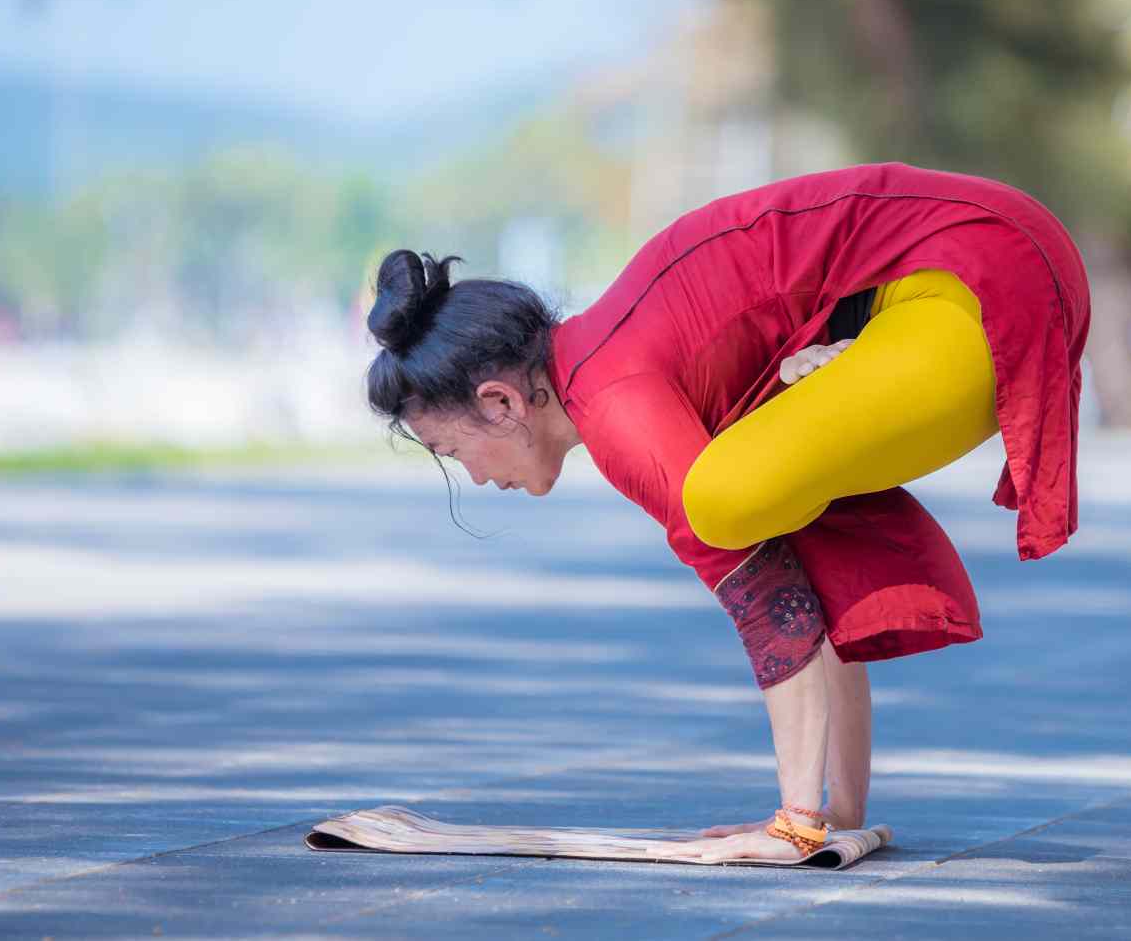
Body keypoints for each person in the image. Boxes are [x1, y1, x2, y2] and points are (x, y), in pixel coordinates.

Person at [363, 161, 1092, 862]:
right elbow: (804, 598)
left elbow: (773, 612)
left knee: (718, 502)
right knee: (763, 500)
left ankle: (803, 810)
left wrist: (794, 829)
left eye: (452, 452)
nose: (477, 479)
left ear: (500, 402)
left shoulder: (617, 405)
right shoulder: (612, 362)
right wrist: (840, 819)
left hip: (978, 278)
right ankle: (819, 804)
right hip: (988, 266)